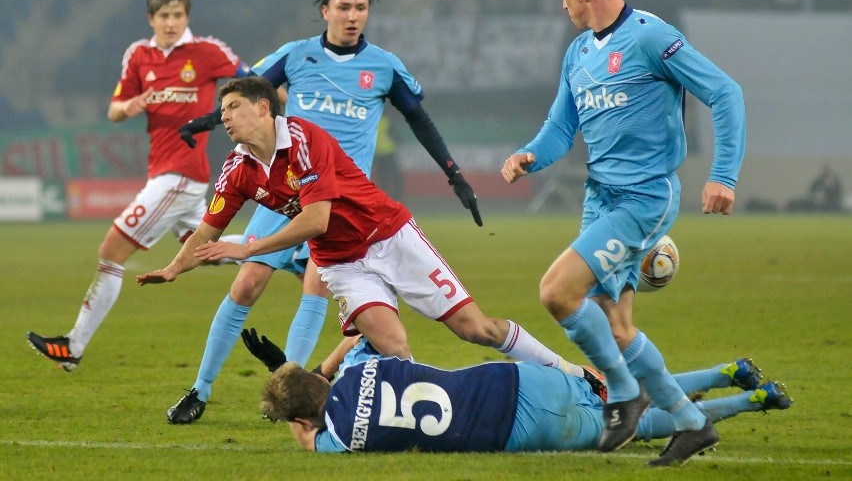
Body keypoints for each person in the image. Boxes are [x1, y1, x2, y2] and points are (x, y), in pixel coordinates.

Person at [138, 77, 578, 425]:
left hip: (389, 235)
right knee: (397, 352)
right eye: (223, 110)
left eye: (233, 107)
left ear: (262, 107)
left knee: (475, 329)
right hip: (341, 263)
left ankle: (574, 375)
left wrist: (245, 248)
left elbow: (316, 221)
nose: (225, 117)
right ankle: (434, 417)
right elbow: (207, 230)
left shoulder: (305, 139)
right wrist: (175, 267)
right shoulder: (238, 167)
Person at [165, 0, 483, 425]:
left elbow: (420, 121)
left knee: (315, 286)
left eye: (361, 8)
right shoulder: (296, 56)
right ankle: (199, 389)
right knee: (246, 283)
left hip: (335, 202)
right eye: (344, 7)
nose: (353, 16)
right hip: (283, 188)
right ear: (325, 10)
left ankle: (288, 390)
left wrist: (453, 173)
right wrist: (209, 120)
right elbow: (248, 93)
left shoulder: (384, 66)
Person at [500, 0, 746, 466]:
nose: (562, 4)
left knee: (557, 292)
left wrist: (722, 175)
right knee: (614, 326)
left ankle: (624, 393)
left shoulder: (652, 37)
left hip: (643, 199)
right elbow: (560, 129)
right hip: (599, 198)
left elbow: (725, 93)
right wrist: (529, 156)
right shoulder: (579, 52)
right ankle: (691, 421)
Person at [26, 0, 249, 372]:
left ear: (187, 17)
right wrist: (128, 105)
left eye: (178, 15)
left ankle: (73, 346)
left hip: (180, 174)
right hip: (162, 171)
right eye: (164, 15)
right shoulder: (139, 55)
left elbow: (252, 78)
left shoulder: (207, 52)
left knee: (111, 251)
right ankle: (288, 251)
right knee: (203, 249)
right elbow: (114, 110)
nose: (171, 22)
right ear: (151, 18)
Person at [248, 330, 791, 454]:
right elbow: (352, 345)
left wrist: (305, 422)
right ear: (320, 380)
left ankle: (754, 400)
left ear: (303, 418)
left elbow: (309, 439)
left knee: (643, 427)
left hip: (516, 430)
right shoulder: (371, 367)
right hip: (512, 379)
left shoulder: (340, 437)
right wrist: (326, 362)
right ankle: (728, 369)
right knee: (635, 397)